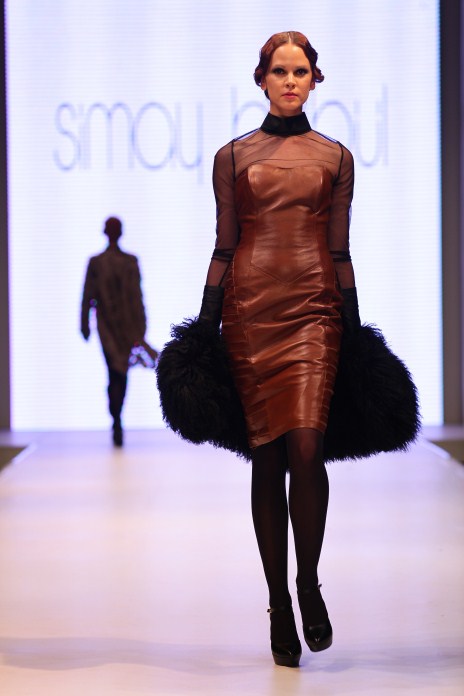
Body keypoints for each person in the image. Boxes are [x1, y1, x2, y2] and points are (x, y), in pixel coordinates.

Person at [198, 31, 360, 667]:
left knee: (308, 448)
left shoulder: (337, 158)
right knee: (266, 456)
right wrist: (205, 324)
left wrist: (355, 326)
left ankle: (308, 581)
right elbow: (225, 243)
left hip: (316, 309)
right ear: (261, 79)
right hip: (250, 312)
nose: (290, 81)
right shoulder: (232, 157)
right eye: (279, 71)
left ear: (316, 79)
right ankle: (278, 602)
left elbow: (340, 247)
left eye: (300, 71)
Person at [80, 217, 157, 446]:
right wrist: (84, 324)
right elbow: (88, 295)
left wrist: (141, 327)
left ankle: (116, 418)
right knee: (115, 370)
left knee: (119, 372)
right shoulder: (97, 263)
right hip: (108, 327)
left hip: (127, 327)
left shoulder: (129, 261)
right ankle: (116, 419)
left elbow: (137, 295)